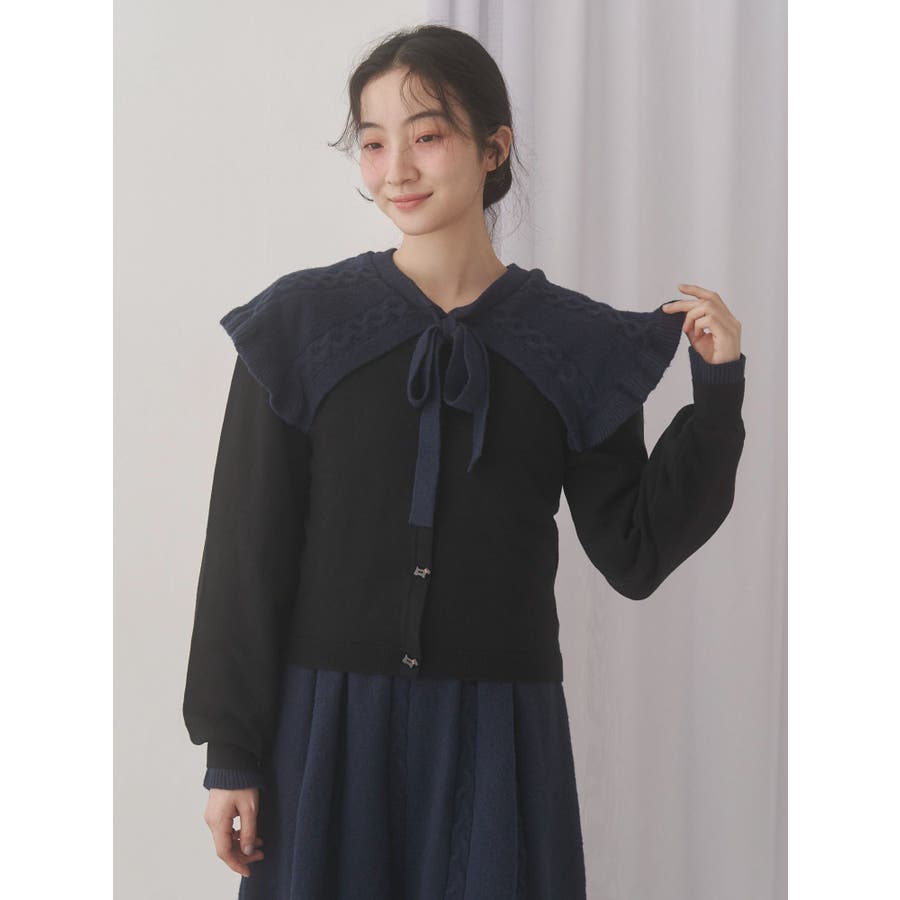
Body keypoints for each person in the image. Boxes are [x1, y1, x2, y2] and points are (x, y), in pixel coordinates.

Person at [182, 23, 746, 899]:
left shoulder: (573, 344)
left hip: (498, 738)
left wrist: (716, 393)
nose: (396, 169)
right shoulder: (299, 329)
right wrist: (232, 755)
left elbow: (633, 550)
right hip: (327, 733)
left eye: (427, 135)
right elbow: (246, 550)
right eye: (374, 143)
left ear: (494, 147)